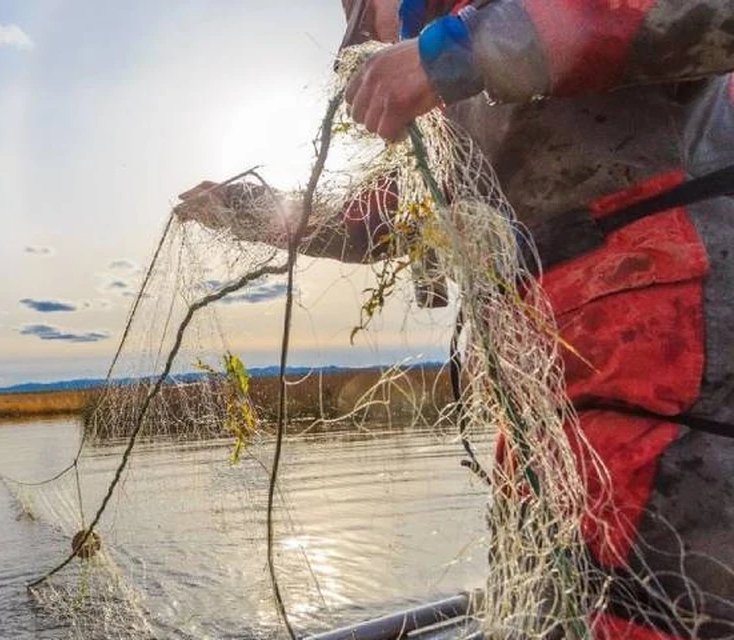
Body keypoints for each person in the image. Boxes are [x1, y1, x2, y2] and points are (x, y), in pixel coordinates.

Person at [177, 1, 734, 637]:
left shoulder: (474, 43)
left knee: (651, 613)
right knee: (554, 603)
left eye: (367, 22)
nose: (366, 44)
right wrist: (243, 207)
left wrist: (456, 49)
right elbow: (387, 218)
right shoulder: (452, 113)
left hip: (674, 362)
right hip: (546, 403)